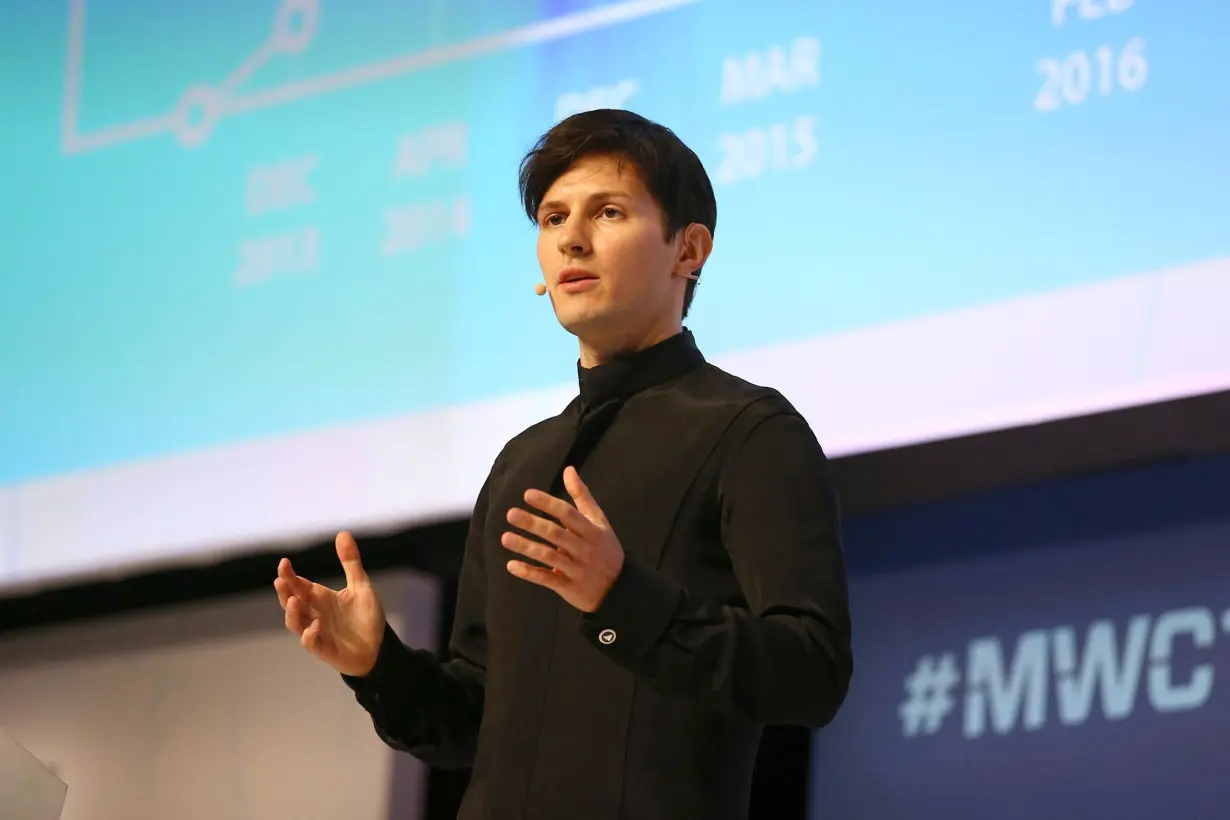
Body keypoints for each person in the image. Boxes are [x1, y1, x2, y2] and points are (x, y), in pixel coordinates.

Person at [274, 108, 852, 820]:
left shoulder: (749, 432)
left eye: (607, 212)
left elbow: (812, 673)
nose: (572, 239)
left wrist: (621, 599)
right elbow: (473, 723)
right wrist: (377, 666)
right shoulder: (522, 463)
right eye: (552, 219)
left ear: (689, 250)